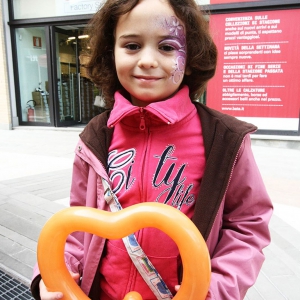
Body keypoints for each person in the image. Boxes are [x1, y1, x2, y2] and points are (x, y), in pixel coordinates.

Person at [31, 0, 273, 299]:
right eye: (132, 45)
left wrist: (215, 288)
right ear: (111, 52)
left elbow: (247, 226)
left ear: (192, 55)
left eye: (168, 47)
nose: (147, 60)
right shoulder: (96, 137)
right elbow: (78, 222)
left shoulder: (224, 139)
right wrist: (55, 271)